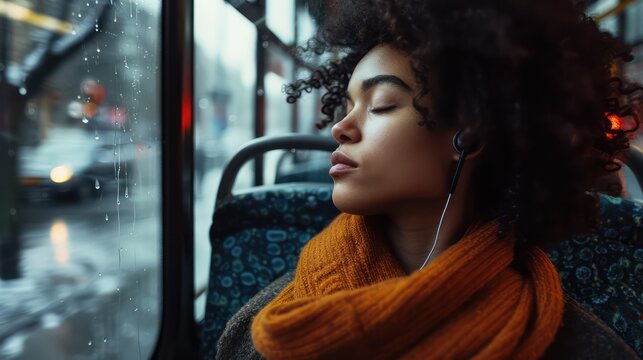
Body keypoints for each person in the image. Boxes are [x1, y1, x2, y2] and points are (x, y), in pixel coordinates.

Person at [216, 0, 642, 358]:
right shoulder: (262, 329)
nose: (340, 128)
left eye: (381, 103)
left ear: (468, 136)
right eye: (346, 103)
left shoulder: (579, 344)